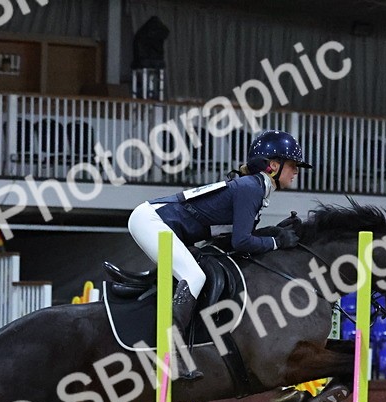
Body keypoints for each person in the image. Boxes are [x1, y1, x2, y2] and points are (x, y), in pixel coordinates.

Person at [126, 129, 310, 378]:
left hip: (161, 223)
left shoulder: (254, 187)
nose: (297, 171)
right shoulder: (251, 188)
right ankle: (168, 354)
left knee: (195, 273)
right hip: (152, 221)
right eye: (293, 165)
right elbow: (242, 241)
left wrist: (276, 232)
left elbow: (235, 238)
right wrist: (277, 243)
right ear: (273, 166)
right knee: (194, 277)